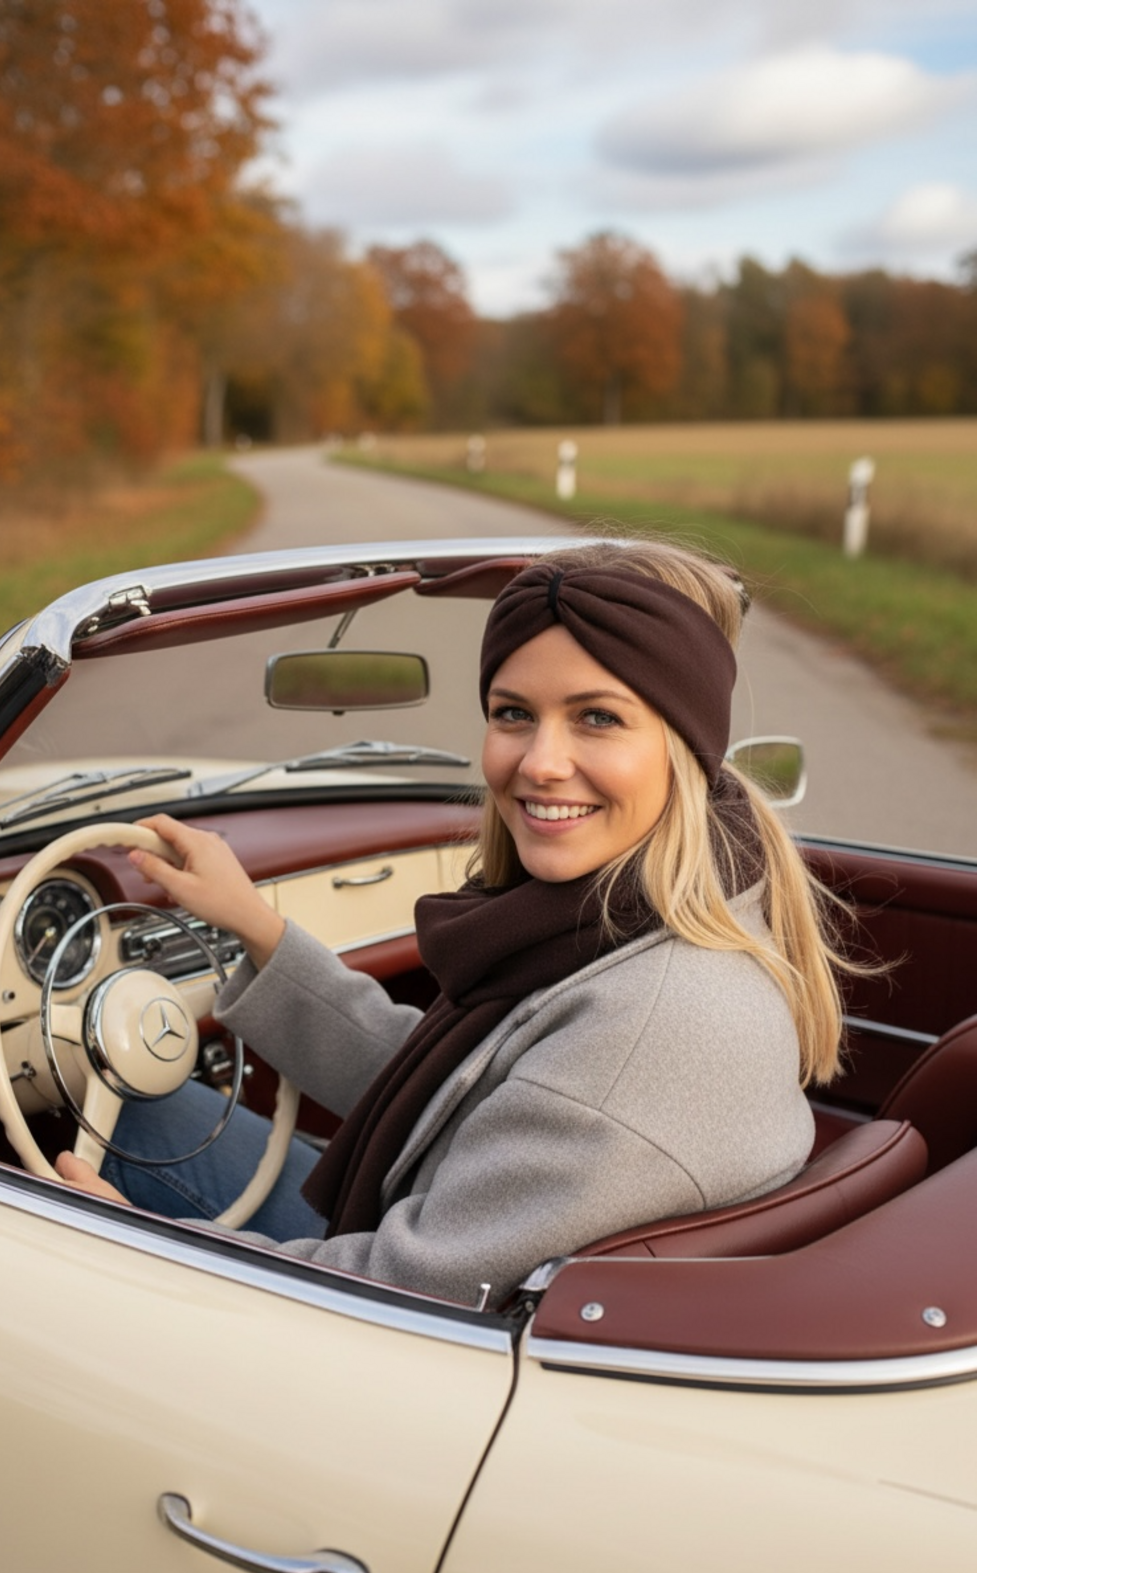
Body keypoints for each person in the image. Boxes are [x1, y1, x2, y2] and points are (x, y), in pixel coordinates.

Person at [57, 540, 859, 1307]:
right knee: (147, 1110)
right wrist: (256, 927)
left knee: (97, 1145)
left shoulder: (649, 1028)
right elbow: (445, 1092)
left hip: (381, 1316)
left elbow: (395, 1289)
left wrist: (144, 1248)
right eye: (514, 713)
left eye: (598, 718)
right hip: (440, 1241)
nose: (539, 763)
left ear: (684, 743)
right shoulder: (640, 914)